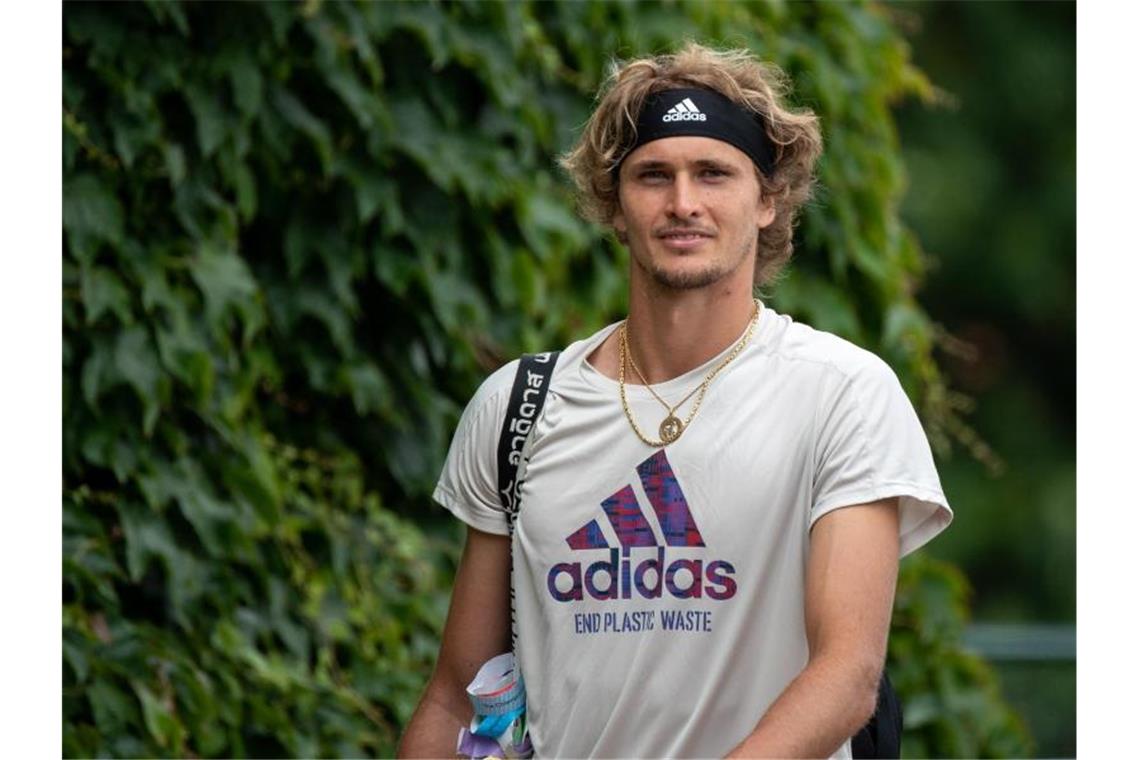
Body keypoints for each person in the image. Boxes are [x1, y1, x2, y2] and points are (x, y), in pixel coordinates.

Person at [398, 42, 952, 759]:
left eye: (714, 174)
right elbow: (456, 694)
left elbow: (846, 676)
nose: (682, 203)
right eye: (653, 175)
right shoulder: (518, 408)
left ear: (768, 199)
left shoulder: (840, 393)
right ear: (615, 204)